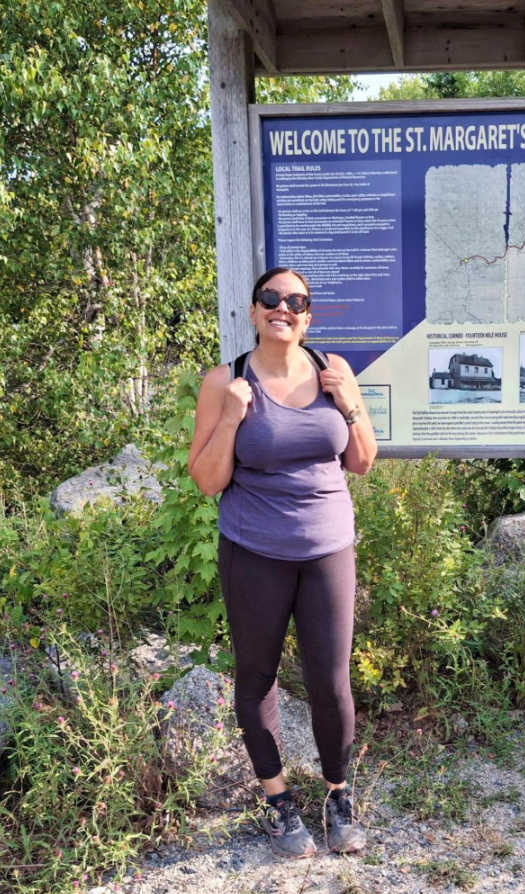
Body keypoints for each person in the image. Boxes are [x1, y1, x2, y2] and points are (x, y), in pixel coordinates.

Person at [188, 266, 378, 858]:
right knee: (258, 676)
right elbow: (207, 480)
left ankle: (338, 796)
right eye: (271, 298)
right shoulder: (226, 381)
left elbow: (364, 461)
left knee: (331, 680)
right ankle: (277, 800)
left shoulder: (333, 371)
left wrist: (349, 406)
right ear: (253, 312)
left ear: (308, 317)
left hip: (327, 549)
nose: (284, 308)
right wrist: (231, 418)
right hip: (253, 552)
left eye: (296, 301)